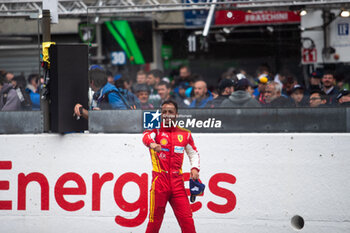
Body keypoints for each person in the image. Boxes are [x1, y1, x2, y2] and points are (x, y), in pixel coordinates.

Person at [142, 100, 200, 233]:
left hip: (178, 184)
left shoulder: (185, 133)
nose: (167, 115)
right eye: (164, 112)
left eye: (170, 112)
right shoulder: (155, 130)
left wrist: (195, 168)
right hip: (159, 184)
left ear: (176, 115)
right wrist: (152, 144)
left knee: (187, 221)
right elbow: (145, 137)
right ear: (161, 114)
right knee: (154, 222)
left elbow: (194, 153)